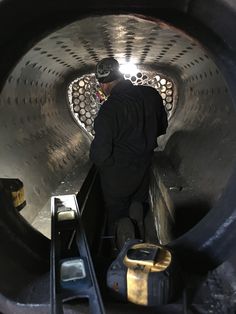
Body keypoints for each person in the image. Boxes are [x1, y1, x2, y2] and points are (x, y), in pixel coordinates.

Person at [90, 57, 168, 249]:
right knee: (137, 204)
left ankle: (123, 250)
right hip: (143, 167)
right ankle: (141, 236)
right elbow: (162, 127)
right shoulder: (151, 94)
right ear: (120, 74)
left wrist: (107, 167)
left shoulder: (108, 110)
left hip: (117, 176)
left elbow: (100, 155)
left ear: (104, 84)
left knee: (118, 215)